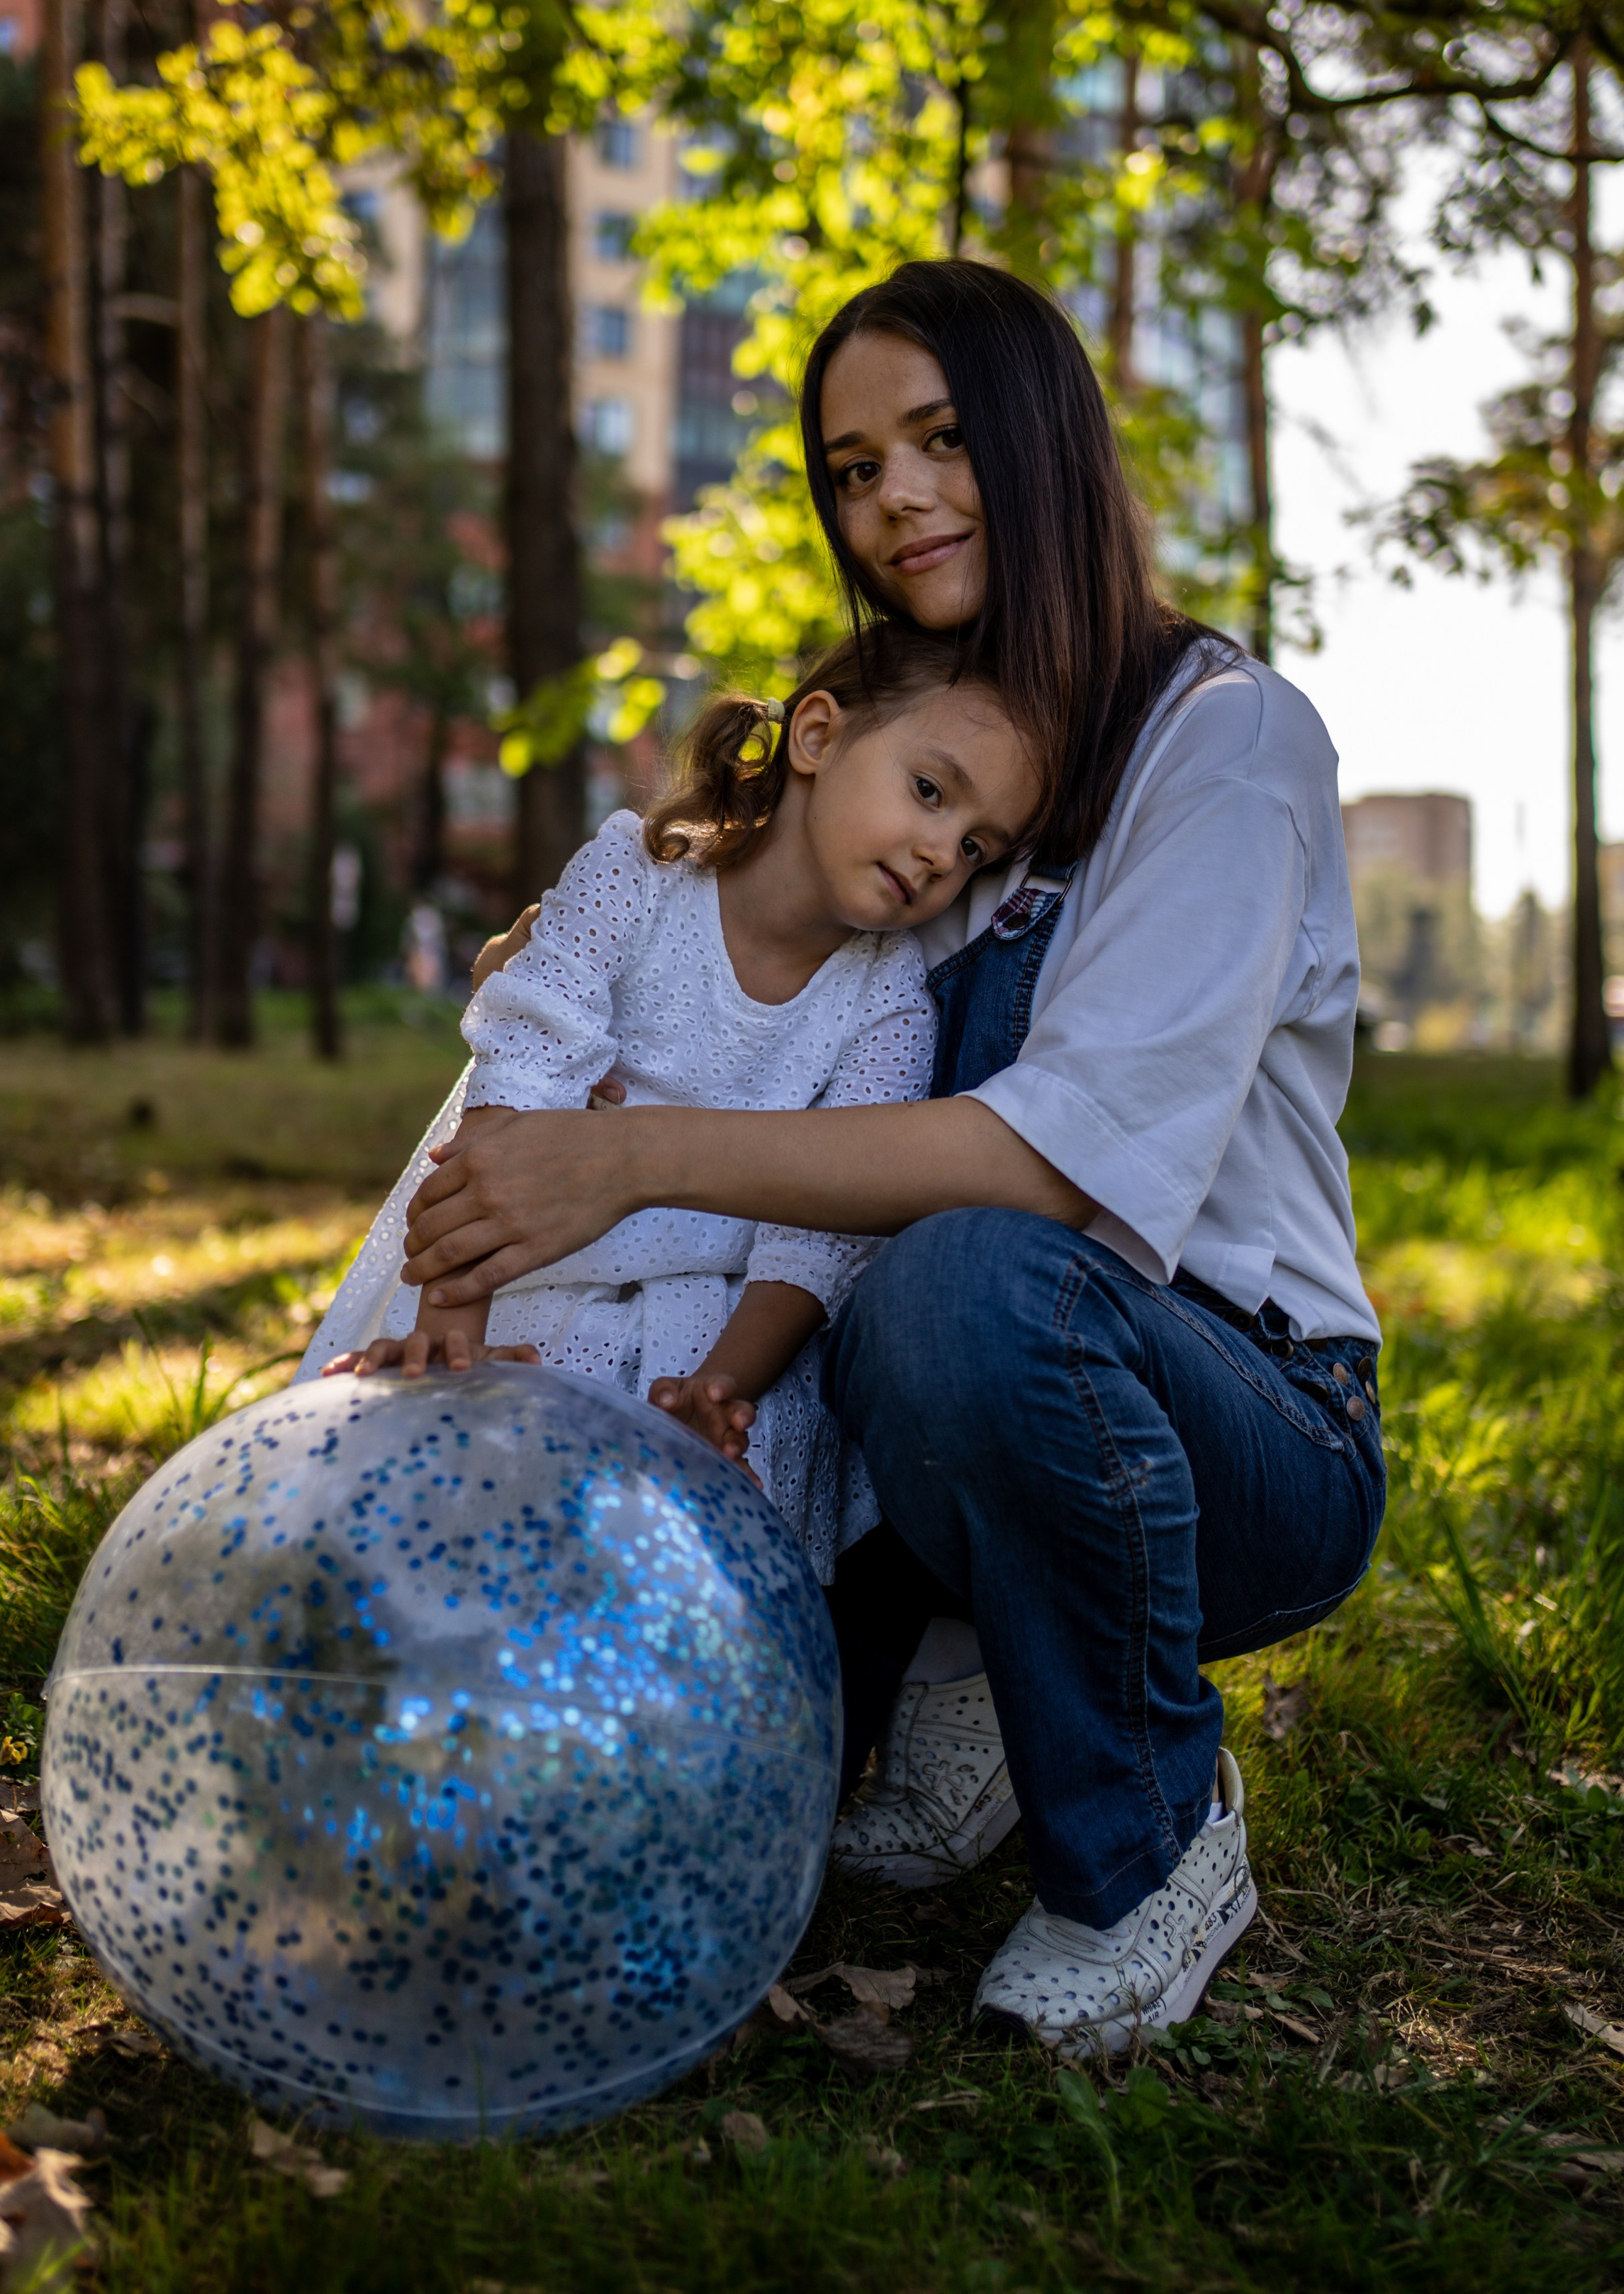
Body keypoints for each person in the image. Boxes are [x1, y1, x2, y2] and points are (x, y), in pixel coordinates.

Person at [393, 258, 1384, 2062]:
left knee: (957, 1273)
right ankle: (966, 1676)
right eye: (853, 469)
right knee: (826, 1324)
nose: (895, 500)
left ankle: (1147, 1844)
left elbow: (1058, 1166)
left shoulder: (1224, 745)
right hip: (968, 1388)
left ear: (1043, 439)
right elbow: (792, 979)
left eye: (939, 440)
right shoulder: (953, 755)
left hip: (1243, 1416)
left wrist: (632, 1160)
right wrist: (609, 944)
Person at [312, 617, 1039, 1584]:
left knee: (663, 1571)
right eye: (930, 791)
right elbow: (519, 1076)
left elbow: (823, 1237)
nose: (944, 851)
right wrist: (453, 1328)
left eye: (977, 846)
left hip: (723, 1333)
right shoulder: (637, 876)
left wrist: (718, 1388)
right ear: (817, 736)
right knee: (457, 1542)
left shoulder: (892, 997)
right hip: (515, 1279)